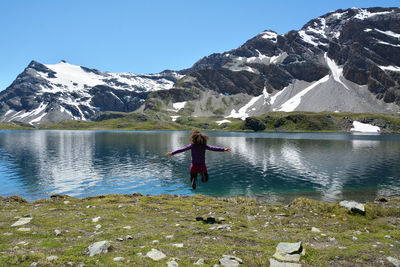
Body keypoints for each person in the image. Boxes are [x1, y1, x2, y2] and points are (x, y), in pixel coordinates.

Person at [166, 130, 232, 189]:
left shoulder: (192, 145)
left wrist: (172, 153)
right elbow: (213, 148)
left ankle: (194, 180)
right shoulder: (204, 145)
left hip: (194, 165)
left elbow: (182, 149)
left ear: (193, 139)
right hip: (202, 165)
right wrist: (223, 149)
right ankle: (202, 174)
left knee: (193, 177)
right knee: (205, 179)